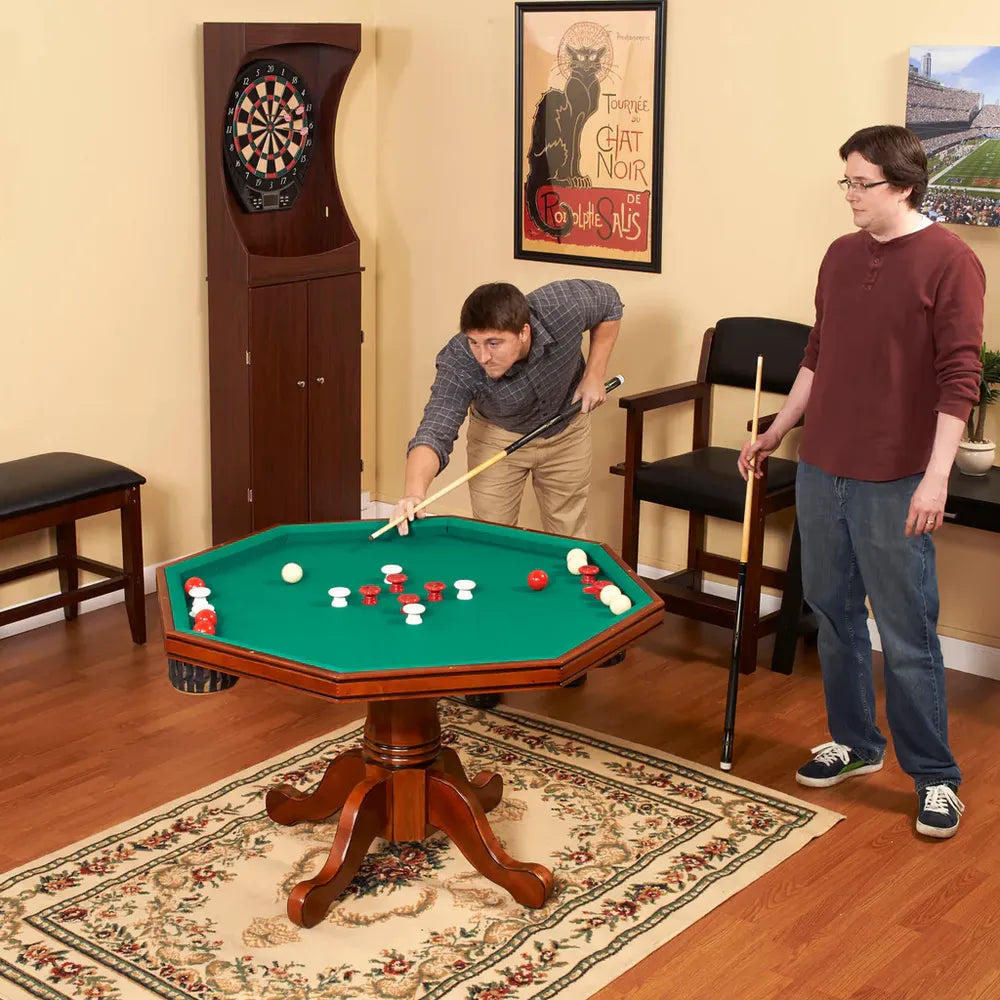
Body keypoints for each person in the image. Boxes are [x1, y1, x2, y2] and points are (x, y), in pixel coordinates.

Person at [739, 125, 984, 839]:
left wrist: (935, 480)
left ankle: (935, 778)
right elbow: (819, 354)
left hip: (897, 477)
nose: (849, 194)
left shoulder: (951, 262)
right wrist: (779, 428)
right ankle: (855, 742)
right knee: (833, 613)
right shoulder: (841, 257)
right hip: (824, 465)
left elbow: (959, 378)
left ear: (903, 186)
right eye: (845, 181)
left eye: (861, 183)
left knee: (907, 633)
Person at [393, 278, 624, 709]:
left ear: (524, 331)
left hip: (567, 431)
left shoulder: (560, 305)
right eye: (475, 342)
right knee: (493, 548)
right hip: (497, 439)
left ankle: (573, 649)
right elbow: (436, 427)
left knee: (568, 537)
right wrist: (413, 491)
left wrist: (593, 375)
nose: (483, 355)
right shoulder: (460, 361)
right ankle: (490, 664)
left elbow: (610, 303)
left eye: (494, 343)